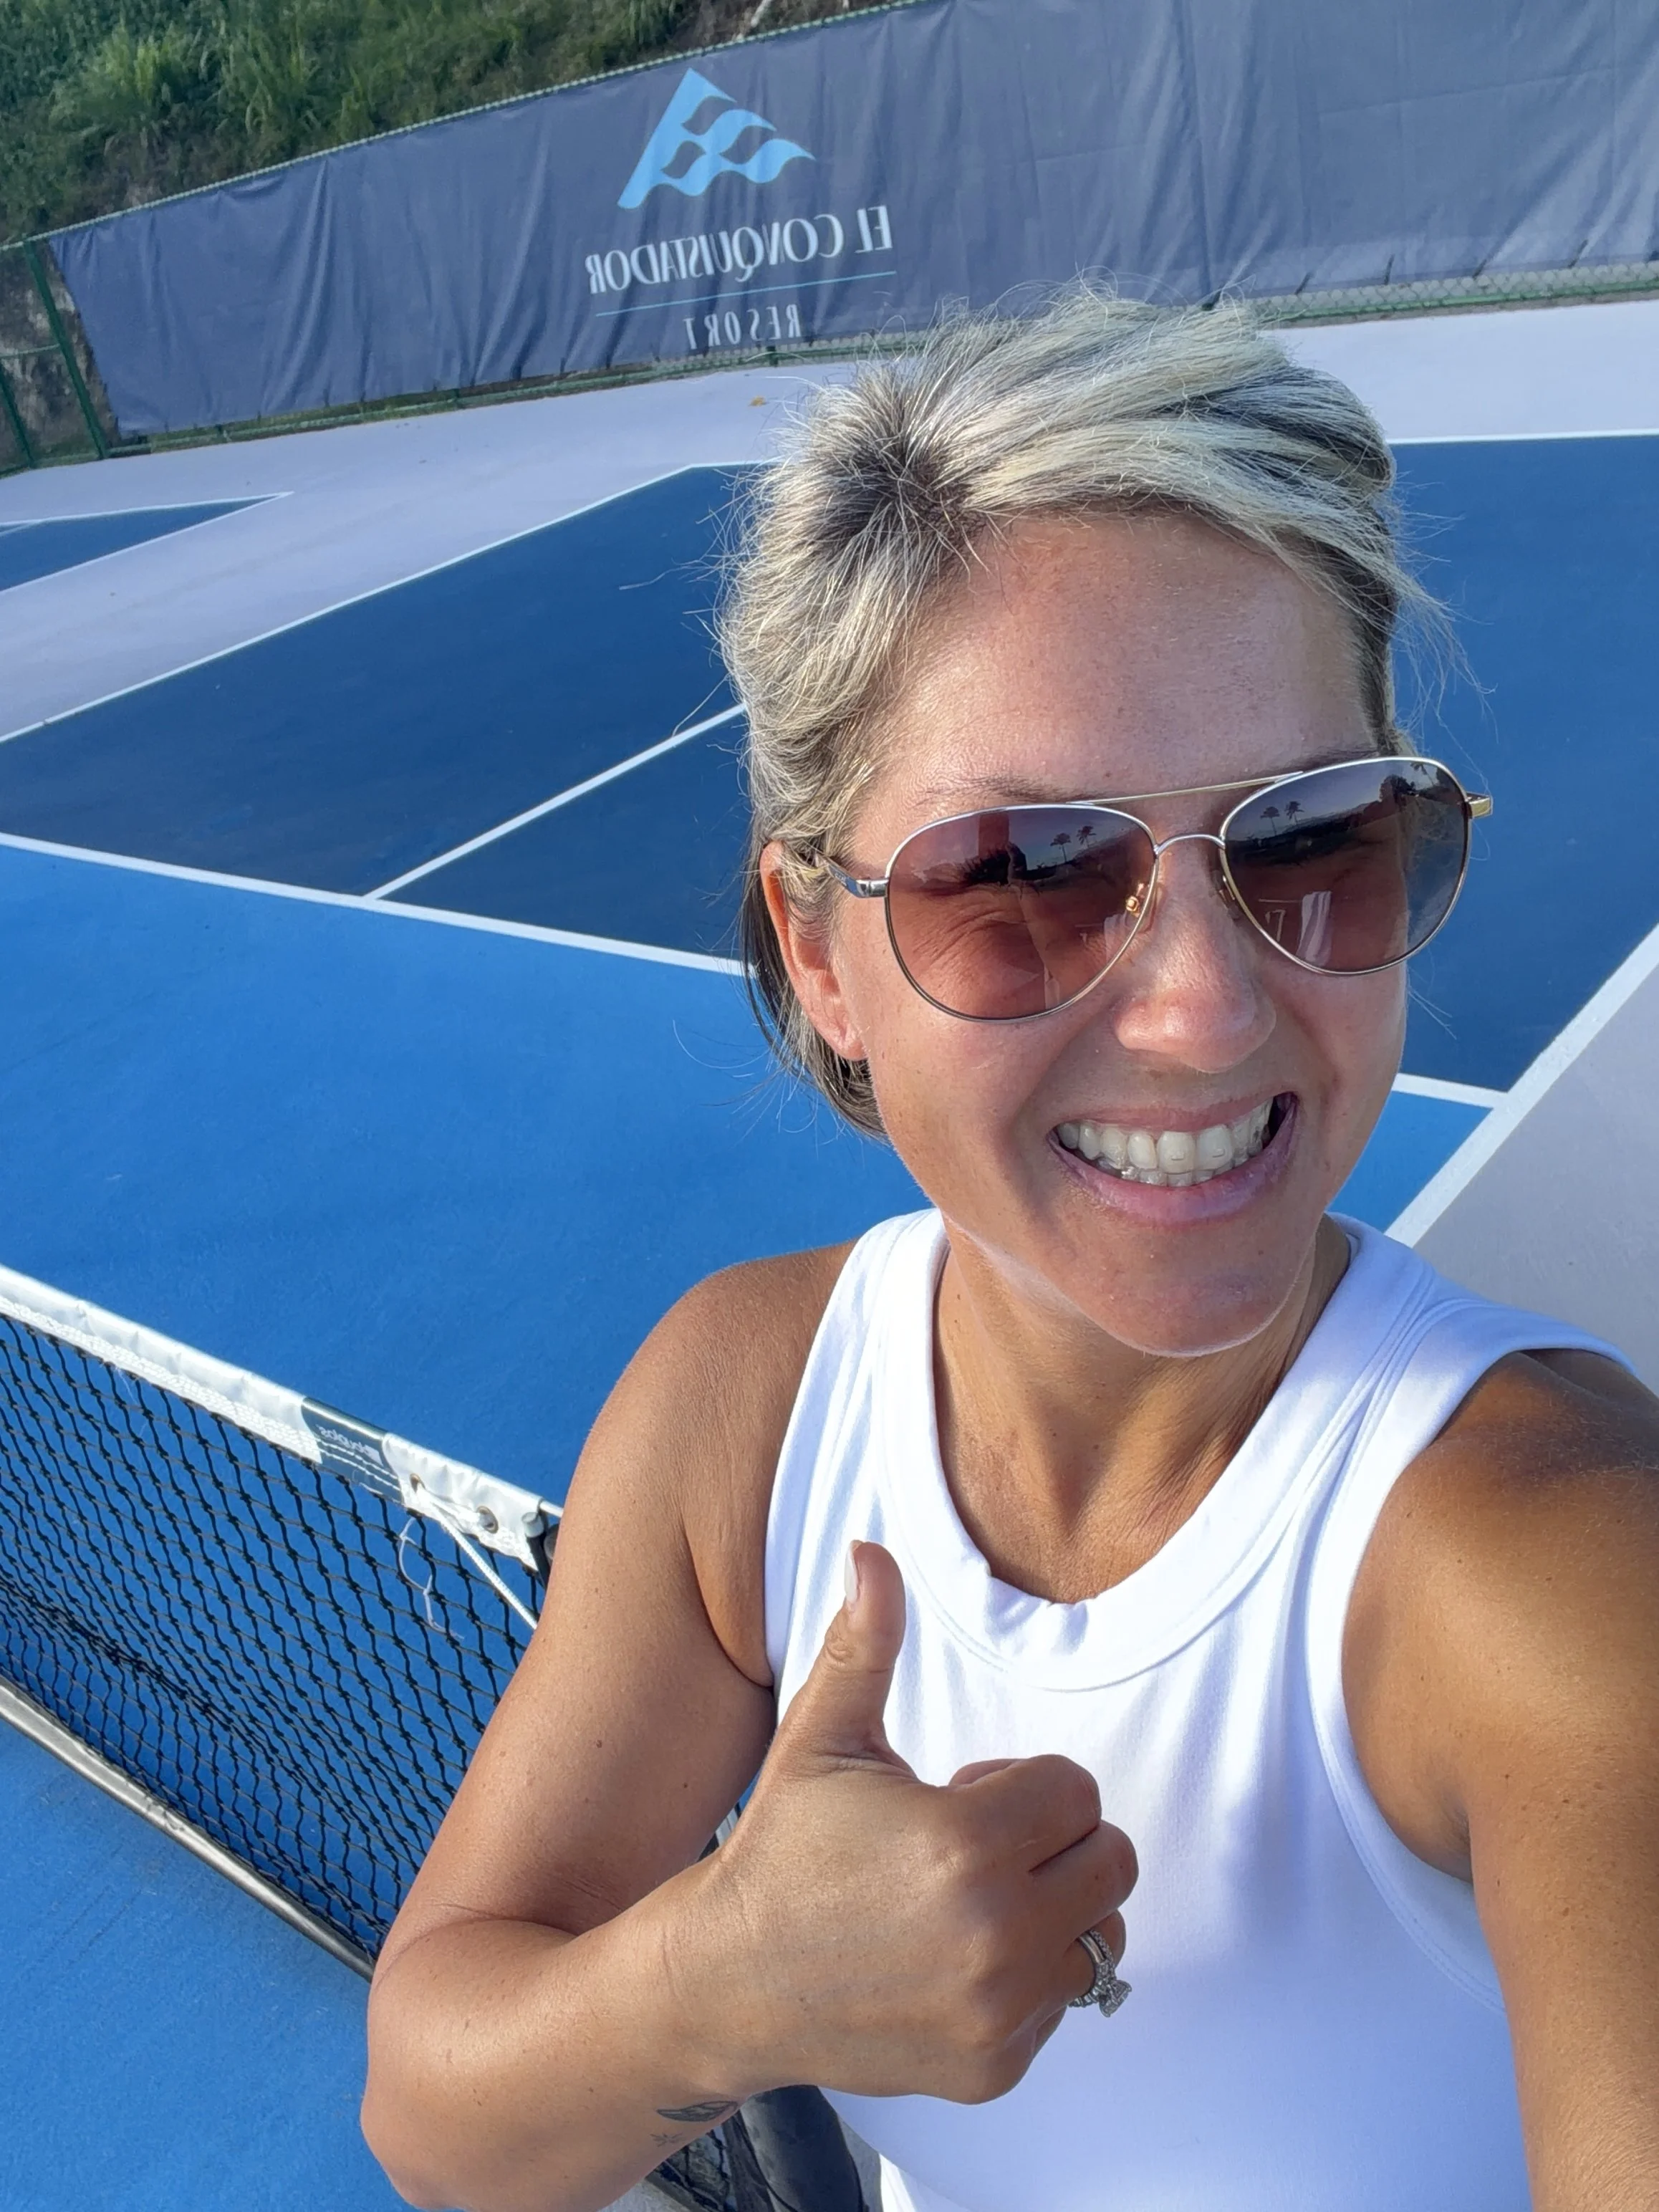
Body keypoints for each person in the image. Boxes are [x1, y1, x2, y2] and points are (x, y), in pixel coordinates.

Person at [361, 293, 1659, 2212]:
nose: (1209, 1013)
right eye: (1024, 878)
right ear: (818, 954)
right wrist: (715, 1986)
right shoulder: (744, 1412)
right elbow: (435, 2115)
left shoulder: (1550, 1563)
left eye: (1310, 838)